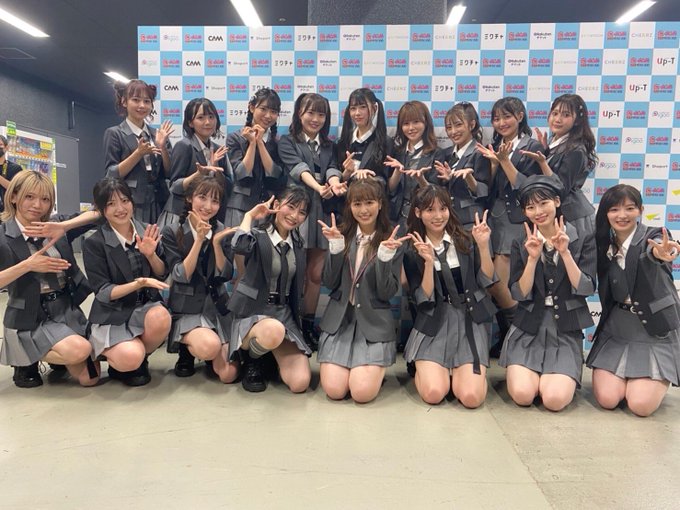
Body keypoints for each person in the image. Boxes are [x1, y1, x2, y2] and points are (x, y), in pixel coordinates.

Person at [500, 175, 595, 411]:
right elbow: (519, 293)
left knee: (554, 400)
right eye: (530, 207)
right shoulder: (521, 241)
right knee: (522, 395)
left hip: (565, 330)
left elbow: (586, 288)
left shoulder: (582, 237)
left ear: (557, 202)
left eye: (543, 203)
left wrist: (565, 253)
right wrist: (532, 259)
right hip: (527, 327)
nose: (538, 212)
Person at [587, 184, 680, 417]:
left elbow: (657, 252)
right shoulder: (602, 245)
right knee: (607, 399)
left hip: (653, 330)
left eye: (630, 208)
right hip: (616, 329)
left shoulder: (652, 236)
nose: (622, 215)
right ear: (606, 213)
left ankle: (651, 379)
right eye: (614, 209)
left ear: (640, 210)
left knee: (640, 405)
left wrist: (662, 254)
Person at [0, 171, 97, 388]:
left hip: (65, 308)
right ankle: (25, 359)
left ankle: (56, 351)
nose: (37, 205)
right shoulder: (3, 236)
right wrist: (27, 265)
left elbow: (99, 214)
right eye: (29, 197)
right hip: (30, 316)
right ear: (13, 197)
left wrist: (65, 227)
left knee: (91, 378)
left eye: (45, 199)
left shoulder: (55, 225)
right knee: (80, 350)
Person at [317, 179, 409, 403]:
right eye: (357, 204)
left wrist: (384, 259)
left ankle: (371, 370)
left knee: (362, 393)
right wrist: (335, 249)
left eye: (369, 202)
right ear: (349, 206)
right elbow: (329, 281)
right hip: (340, 322)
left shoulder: (391, 239)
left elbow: (386, 293)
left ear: (380, 204)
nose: (363, 210)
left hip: (373, 324)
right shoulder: (341, 234)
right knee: (334, 390)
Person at [404, 185, 496, 407]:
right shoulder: (412, 249)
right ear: (418, 212)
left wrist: (483, 246)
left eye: (443, 208)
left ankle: (460, 371)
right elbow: (423, 298)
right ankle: (429, 367)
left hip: (469, 320)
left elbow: (487, 280)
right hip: (433, 323)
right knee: (434, 393)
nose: (438, 216)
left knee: (472, 398)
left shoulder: (466, 240)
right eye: (430, 210)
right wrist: (428, 263)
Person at [83, 178, 171, 386]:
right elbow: (103, 292)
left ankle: (140, 359)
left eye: (124, 201)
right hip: (113, 312)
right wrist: (138, 283)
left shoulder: (147, 231)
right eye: (111, 204)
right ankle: (124, 359)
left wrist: (151, 255)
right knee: (130, 356)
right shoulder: (94, 242)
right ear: (101, 209)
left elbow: (161, 273)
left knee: (162, 317)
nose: (120, 209)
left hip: (144, 307)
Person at [278, 93, 347, 349]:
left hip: (322, 212)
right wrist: (318, 188)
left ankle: (308, 325)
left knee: (315, 274)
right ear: (299, 113)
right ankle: (289, 323)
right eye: (310, 113)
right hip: (295, 212)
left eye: (321, 114)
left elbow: (333, 169)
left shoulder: (329, 145)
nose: (315, 119)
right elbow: (299, 169)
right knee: (291, 272)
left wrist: (334, 184)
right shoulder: (287, 141)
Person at [228, 187, 313, 393]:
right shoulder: (257, 235)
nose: (294, 216)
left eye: (302, 212)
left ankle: (268, 355)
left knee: (300, 382)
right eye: (290, 207)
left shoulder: (298, 245)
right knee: (273, 330)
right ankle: (252, 359)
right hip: (254, 311)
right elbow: (239, 246)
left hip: (283, 313)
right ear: (276, 205)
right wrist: (249, 216)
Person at [476, 97, 544, 354]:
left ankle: (516, 334)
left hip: (516, 220)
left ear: (520, 116)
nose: (501, 123)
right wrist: (494, 164)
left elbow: (528, 187)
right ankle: (508, 336)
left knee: (501, 283)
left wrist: (504, 161)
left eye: (507, 117)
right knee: (487, 279)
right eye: (496, 119)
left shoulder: (531, 146)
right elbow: (489, 188)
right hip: (493, 218)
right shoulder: (493, 146)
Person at [161, 173, 239, 383]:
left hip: (217, 307)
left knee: (228, 375)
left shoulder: (222, 230)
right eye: (202, 197)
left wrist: (216, 244)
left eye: (215, 201)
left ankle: (207, 348)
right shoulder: (172, 231)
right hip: (186, 308)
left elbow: (226, 275)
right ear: (189, 198)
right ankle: (186, 350)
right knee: (209, 346)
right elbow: (180, 275)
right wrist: (199, 240)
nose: (208, 206)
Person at [520, 93, 598, 234]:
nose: (557, 119)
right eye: (555, 113)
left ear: (577, 120)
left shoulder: (576, 149)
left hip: (573, 216)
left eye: (566, 115)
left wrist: (543, 162)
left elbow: (561, 188)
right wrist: (545, 151)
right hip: (557, 214)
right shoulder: (556, 142)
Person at [103, 79, 174, 223]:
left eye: (147, 101)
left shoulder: (157, 134)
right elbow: (111, 174)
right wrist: (138, 154)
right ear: (124, 102)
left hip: (160, 202)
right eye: (136, 100)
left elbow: (169, 173)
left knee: (160, 237)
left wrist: (162, 148)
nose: (142, 105)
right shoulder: (115, 133)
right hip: (131, 202)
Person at [160, 98, 232, 229]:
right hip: (181, 215)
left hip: (208, 216)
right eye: (200, 118)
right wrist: (198, 174)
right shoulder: (184, 146)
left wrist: (216, 168)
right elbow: (174, 186)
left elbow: (227, 187)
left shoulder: (217, 149)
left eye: (211, 117)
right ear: (190, 123)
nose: (207, 122)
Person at [225, 88, 286, 227]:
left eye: (273, 112)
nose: (268, 115)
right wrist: (252, 143)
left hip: (268, 208)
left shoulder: (278, 142)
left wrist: (260, 142)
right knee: (238, 240)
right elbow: (241, 173)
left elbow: (274, 173)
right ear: (252, 108)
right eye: (263, 109)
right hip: (240, 207)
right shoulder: (235, 138)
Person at [385, 100, 443, 230]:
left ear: (426, 122)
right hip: (397, 217)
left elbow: (437, 193)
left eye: (416, 122)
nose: (411, 128)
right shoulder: (397, 152)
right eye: (406, 123)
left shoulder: (436, 153)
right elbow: (389, 189)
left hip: (425, 218)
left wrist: (421, 180)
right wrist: (397, 172)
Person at [433, 102, 491, 230]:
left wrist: (469, 178)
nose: (453, 132)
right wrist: (447, 179)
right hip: (446, 220)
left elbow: (484, 190)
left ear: (472, 125)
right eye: (449, 127)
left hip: (471, 221)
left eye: (458, 125)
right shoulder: (445, 154)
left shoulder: (480, 152)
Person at [337, 87, 392, 184]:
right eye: (353, 108)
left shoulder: (385, 142)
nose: (357, 113)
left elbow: (387, 183)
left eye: (363, 107)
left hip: (372, 193)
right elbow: (337, 180)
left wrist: (369, 177)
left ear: (374, 108)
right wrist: (347, 173)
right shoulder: (343, 142)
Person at [0, 135, 23, 214]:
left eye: (0, 145)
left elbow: (17, 189)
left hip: (7, 213)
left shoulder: (15, 168)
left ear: (6, 148)